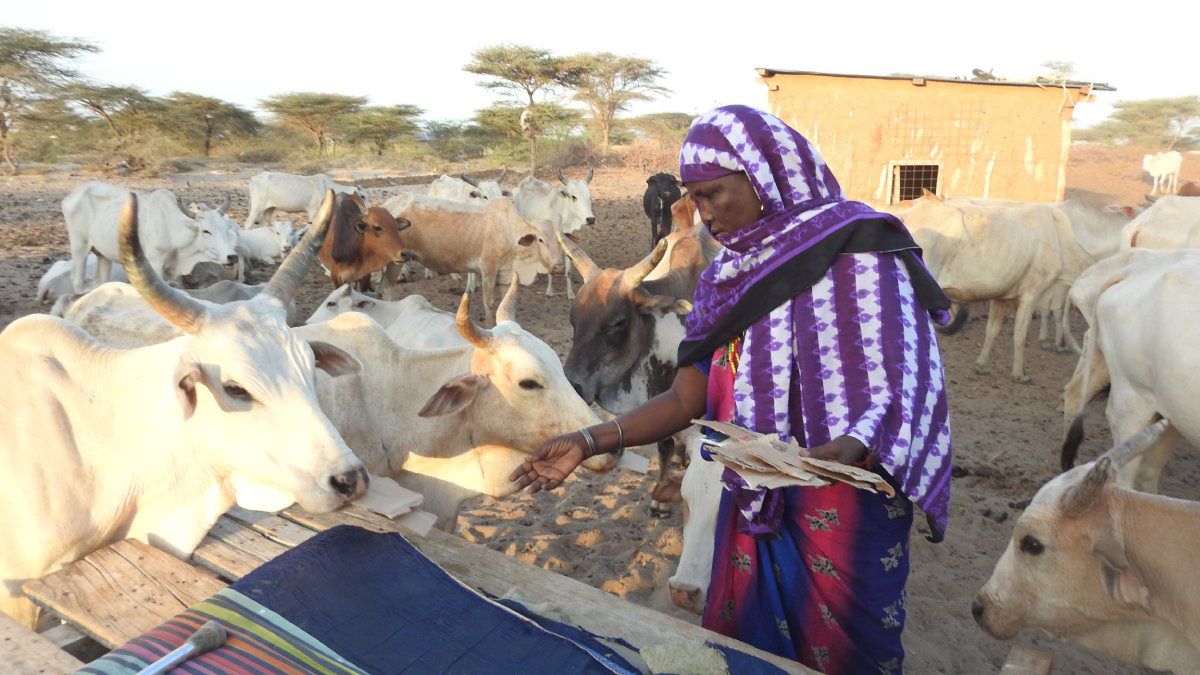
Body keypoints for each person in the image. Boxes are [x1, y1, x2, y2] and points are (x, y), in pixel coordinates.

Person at [510, 105, 953, 673]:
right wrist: (589, 441)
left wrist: (853, 445)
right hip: (750, 500)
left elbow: (907, 381)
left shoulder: (863, 252)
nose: (707, 216)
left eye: (717, 193)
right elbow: (686, 401)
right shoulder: (727, 278)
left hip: (844, 502)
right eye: (695, 199)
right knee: (746, 651)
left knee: (849, 654)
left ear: (766, 176)